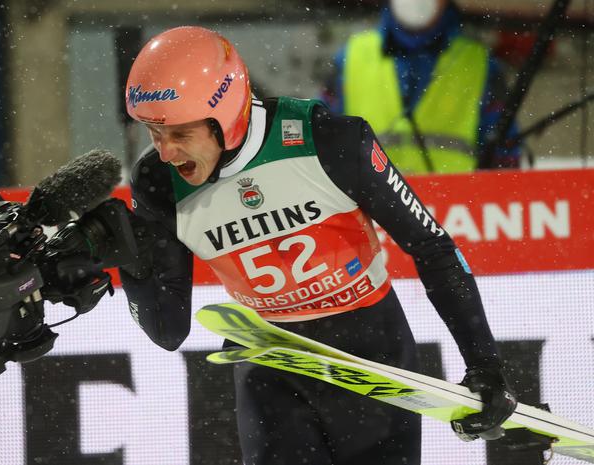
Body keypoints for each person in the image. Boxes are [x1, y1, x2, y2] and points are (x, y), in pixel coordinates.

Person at [120, 26, 517, 465]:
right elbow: (167, 330)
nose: (166, 151)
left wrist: (485, 366)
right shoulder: (157, 183)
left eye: (179, 134)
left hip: (372, 354)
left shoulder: (331, 143)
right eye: (154, 134)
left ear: (224, 111)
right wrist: (128, 256)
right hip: (273, 366)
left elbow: (433, 247)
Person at [321, 0, 520, 174]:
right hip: (370, 212)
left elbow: (505, 164)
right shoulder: (349, 60)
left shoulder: (482, 66)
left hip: (457, 212)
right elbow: (321, 146)